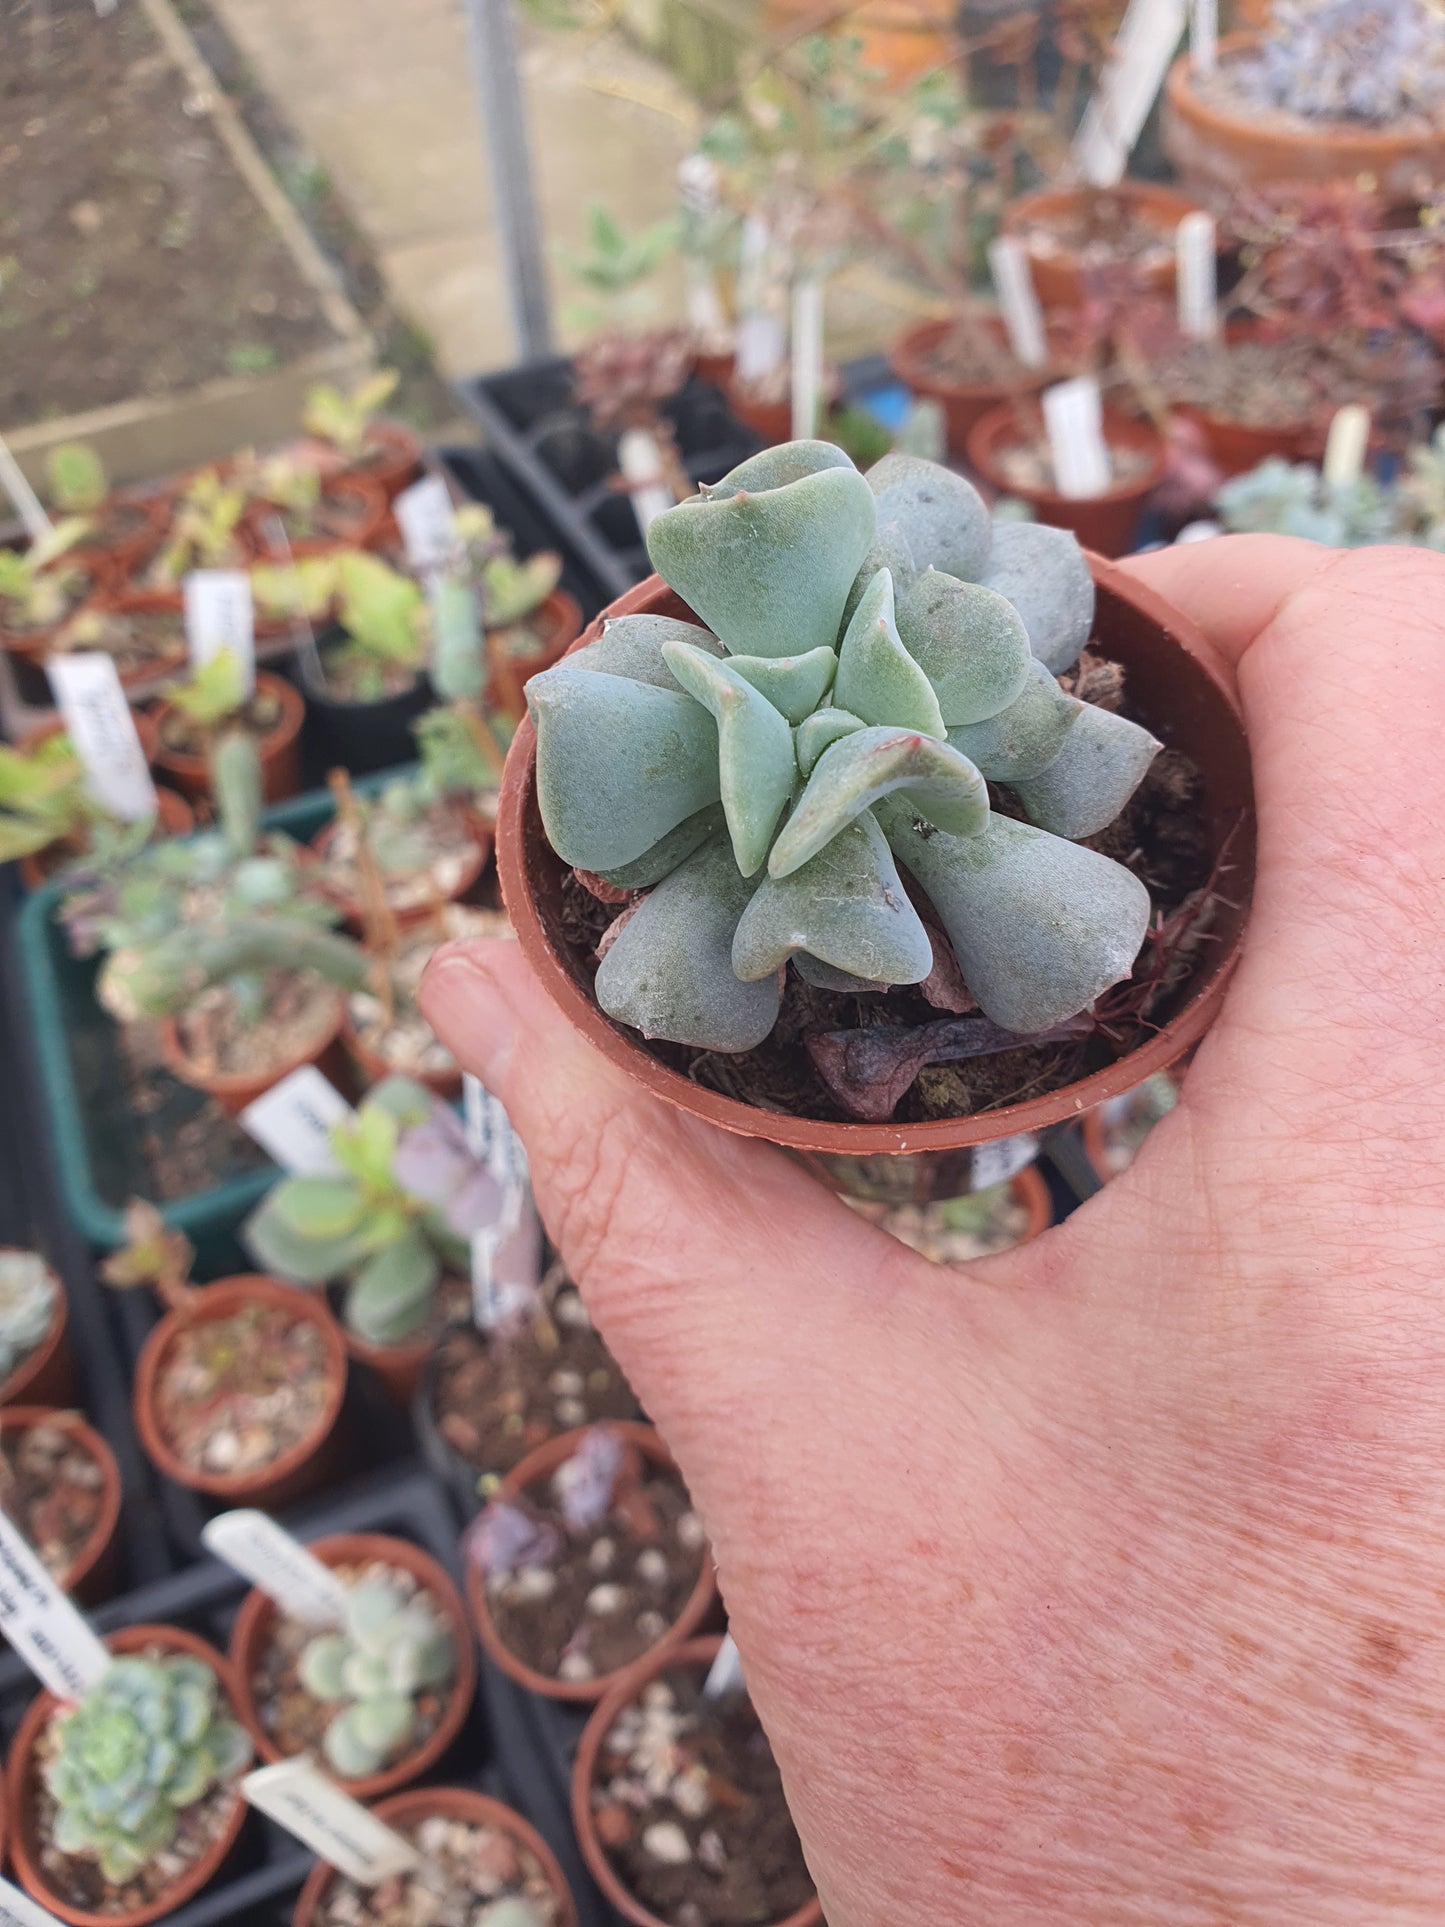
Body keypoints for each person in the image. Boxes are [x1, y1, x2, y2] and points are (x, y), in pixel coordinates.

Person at [420, 535, 1445, 1925]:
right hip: (790, 879)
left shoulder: (991, 711)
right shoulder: (677, 761)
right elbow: (619, 762)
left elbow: (1027, 658)